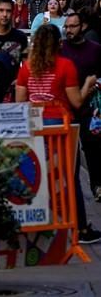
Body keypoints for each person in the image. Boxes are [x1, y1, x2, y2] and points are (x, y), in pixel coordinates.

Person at [16, 23, 101, 244]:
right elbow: (76, 101)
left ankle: (38, 225)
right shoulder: (66, 65)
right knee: (70, 177)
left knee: (37, 175)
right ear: (59, 44)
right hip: (61, 127)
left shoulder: (27, 67)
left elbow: (19, 102)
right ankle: (80, 229)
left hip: (35, 125)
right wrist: (88, 85)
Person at [61, 13, 101, 201]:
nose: (69, 30)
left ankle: (97, 186)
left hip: (90, 109)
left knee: (93, 150)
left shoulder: (95, 49)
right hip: (65, 109)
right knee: (69, 153)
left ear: (82, 27)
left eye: (73, 26)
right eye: (67, 27)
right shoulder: (60, 49)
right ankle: (71, 191)